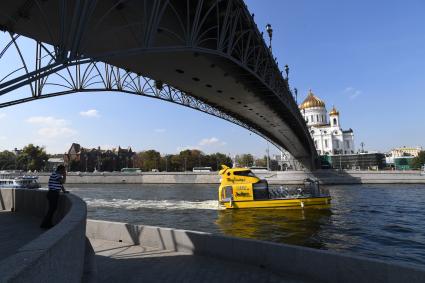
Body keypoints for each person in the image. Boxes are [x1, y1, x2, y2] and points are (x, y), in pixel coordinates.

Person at [40, 165, 68, 229]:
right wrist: (65, 175)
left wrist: (64, 191)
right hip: (53, 194)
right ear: (60, 169)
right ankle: (44, 224)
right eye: (63, 170)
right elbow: (62, 182)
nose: (64, 171)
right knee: (51, 210)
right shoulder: (56, 175)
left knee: (52, 209)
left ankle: (48, 224)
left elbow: (60, 184)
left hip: (53, 194)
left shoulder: (56, 174)